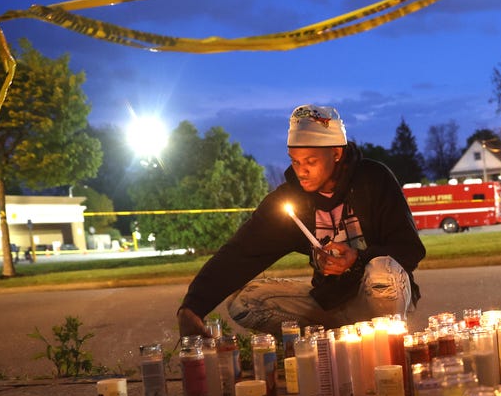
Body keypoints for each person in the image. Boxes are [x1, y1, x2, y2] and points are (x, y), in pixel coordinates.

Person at [177, 104, 425, 339]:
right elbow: (241, 252)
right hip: (329, 302)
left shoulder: (373, 180)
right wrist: (192, 307)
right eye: (295, 161)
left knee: (383, 269)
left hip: (378, 297)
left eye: (310, 161)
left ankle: (384, 346)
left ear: (336, 153)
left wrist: (358, 259)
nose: (301, 170)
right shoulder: (291, 199)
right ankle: (335, 340)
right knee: (245, 302)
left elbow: (410, 249)